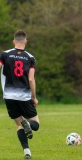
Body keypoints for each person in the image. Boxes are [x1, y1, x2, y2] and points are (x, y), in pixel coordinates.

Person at [0, 30, 40, 159]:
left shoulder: (5, 55)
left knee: (19, 125)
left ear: (13, 42)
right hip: (24, 96)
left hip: (9, 97)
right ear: (26, 42)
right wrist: (33, 97)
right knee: (35, 123)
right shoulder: (30, 57)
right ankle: (28, 125)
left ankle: (27, 152)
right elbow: (31, 79)